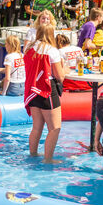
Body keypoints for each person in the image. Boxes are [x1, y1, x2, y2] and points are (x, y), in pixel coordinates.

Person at [24, 23, 66, 163]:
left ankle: (33, 154)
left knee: (37, 127)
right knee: (54, 128)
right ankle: (48, 159)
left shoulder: (29, 48)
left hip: (33, 90)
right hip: (47, 90)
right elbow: (59, 76)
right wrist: (66, 70)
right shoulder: (52, 51)